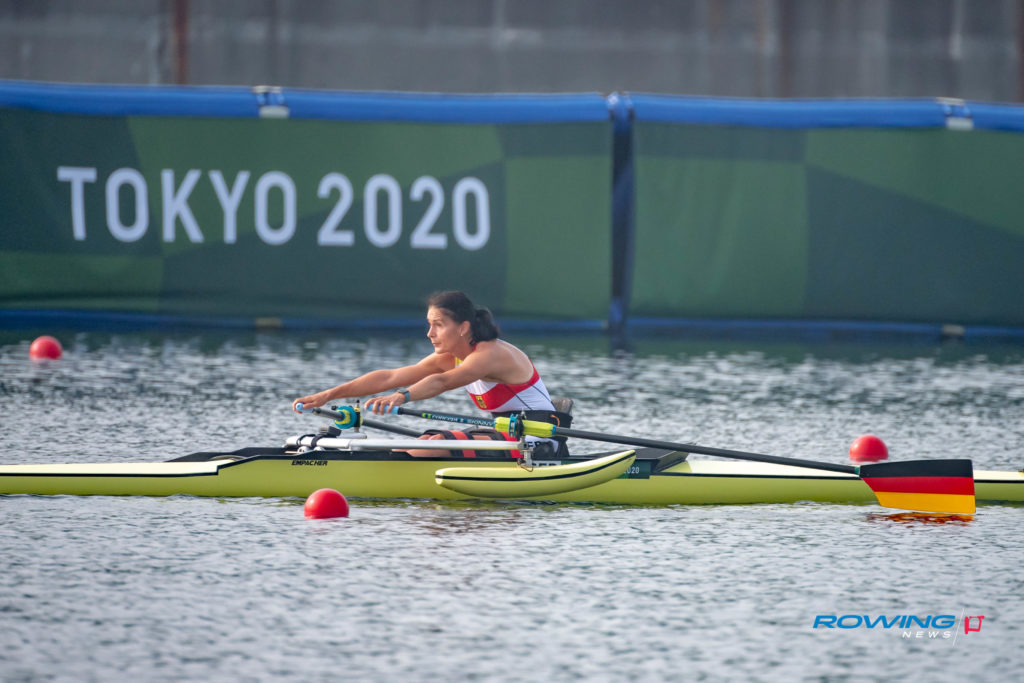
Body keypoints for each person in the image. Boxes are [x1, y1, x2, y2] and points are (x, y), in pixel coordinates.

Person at [291, 291, 570, 458]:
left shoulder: (490, 354)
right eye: (429, 324)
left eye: (438, 325)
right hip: (508, 434)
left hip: (539, 440)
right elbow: (390, 377)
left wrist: (402, 397)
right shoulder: (451, 356)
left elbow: (443, 382)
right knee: (422, 443)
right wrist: (328, 395)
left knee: (434, 445)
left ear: (462, 327)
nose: (429, 333)